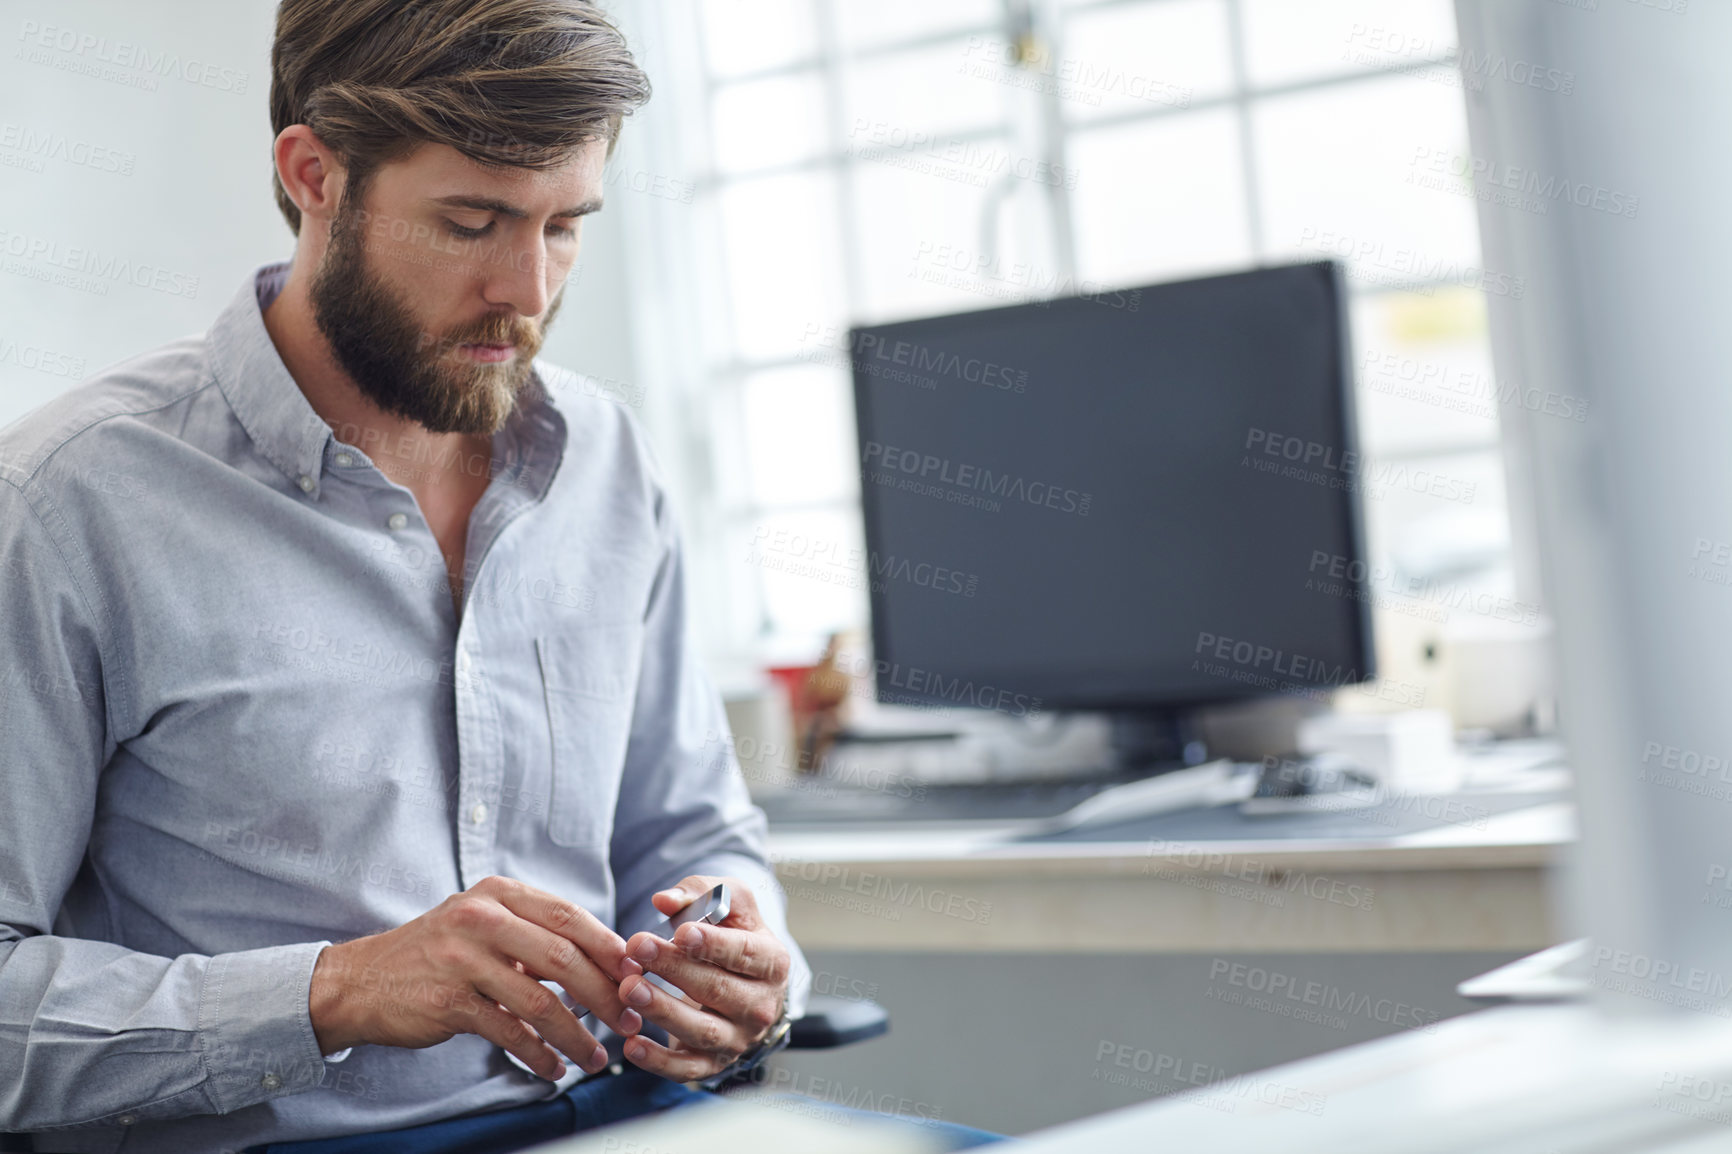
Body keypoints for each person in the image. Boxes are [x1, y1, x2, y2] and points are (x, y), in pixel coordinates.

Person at [0, 2, 1002, 1150]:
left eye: (565, 226)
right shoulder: (65, 506)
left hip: (632, 1115)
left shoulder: (608, 460)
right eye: (473, 221)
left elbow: (691, 833)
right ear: (314, 172)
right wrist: (333, 990)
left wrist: (747, 956)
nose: (527, 291)